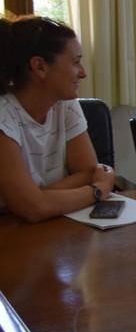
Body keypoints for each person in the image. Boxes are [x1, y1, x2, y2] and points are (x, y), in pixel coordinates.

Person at [0, 15, 115, 222]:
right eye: (76, 62)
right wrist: (98, 190)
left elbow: (88, 172)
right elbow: (33, 209)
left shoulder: (64, 103)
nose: (83, 73)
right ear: (40, 67)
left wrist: (34, 197)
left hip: (50, 223)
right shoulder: (3, 116)